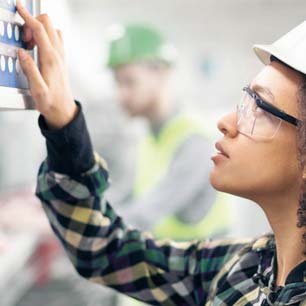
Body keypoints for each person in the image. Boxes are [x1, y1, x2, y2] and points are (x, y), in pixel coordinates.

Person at [16, 1, 306, 305]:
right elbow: (105, 249)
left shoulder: (189, 141)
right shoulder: (244, 268)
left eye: (260, 108)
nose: (225, 122)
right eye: (246, 100)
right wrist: (64, 124)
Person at [105, 23, 229, 240]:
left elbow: (144, 213)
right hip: (175, 263)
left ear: (160, 73)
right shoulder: (149, 137)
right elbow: (129, 198)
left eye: (128, 82)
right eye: (117, 83)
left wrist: (79, 225)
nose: (120, 95)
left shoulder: (193, 139)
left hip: (208, 266)